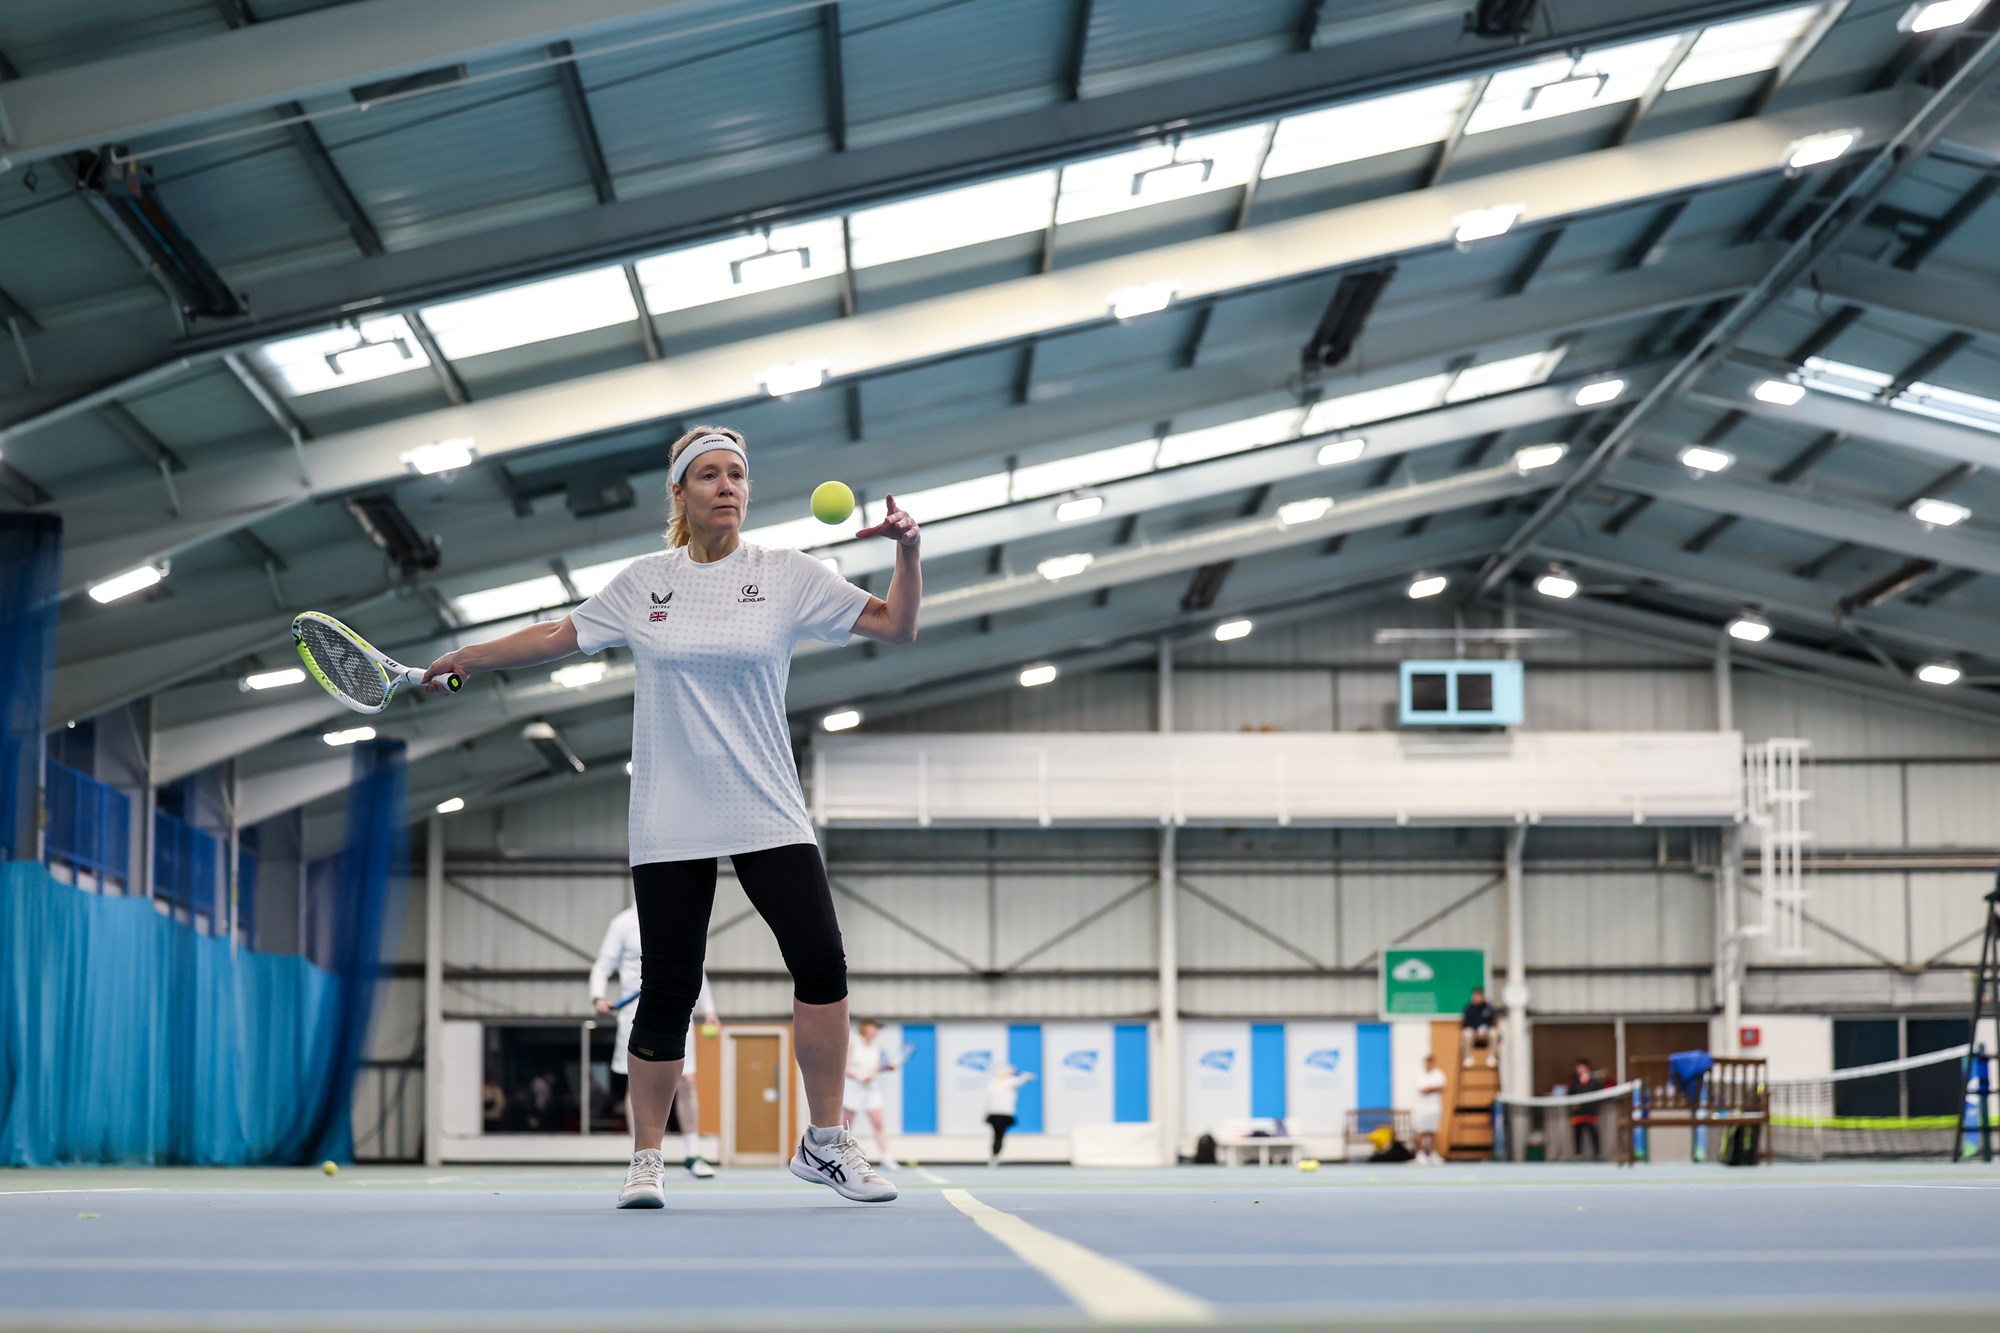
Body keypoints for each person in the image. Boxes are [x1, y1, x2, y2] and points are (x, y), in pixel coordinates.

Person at [424, 425, 923, 1210]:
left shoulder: (789, 575)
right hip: (670, 813)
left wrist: (908, 550)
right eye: (711, 475)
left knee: (822, 962)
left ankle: (825, 1144)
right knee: (669, 987)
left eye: (739, 475)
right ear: (682, 493)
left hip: (767, 804)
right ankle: (646, 1159)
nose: (729, 486)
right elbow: (559, 635)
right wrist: (470, 657)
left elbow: (897, 624)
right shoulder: (644, 581)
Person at [590, 901, 720, 1177]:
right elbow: (602, 966)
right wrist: (598, 996)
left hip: (679, 1007)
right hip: (633, 1013)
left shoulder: (680, 916)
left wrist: (709, 1009)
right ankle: (640, 1155)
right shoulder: (623, 923)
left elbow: (696, 966)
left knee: (686, 1081)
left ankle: (692, 1154)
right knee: (636, 1083)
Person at [843, 1019, 899, 1167]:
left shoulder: (878, 1046)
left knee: (879, 1123)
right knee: (846, 1126)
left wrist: (886, 1068)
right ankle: (842, 1157)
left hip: (872, 1090)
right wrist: (861, 1077)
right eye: (874, 1027)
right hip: (853, 1089)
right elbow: (844, 1068)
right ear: (865, 1028)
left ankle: (887, 1158)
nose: (877, 1031)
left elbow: (875, 1068)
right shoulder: (852, 1043)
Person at [985, 1062, 1036, 1167]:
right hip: (1004, 1114)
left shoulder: (993, 1083)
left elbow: (988, 1101)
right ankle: (996, 1155)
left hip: (993, 1114)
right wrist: (1026, 1075)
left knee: (996, 1136)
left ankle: (995, 1155)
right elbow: (1027, 1077)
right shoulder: (1010, 1082)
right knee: (1000, 1136)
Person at [1568, 1058, 1606, 1161]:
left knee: (1593, 1133)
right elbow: (1571, 1093)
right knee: (1578, 1134)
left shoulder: (1594, 1081)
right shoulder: (1575, 1081)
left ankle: (1597, 1154)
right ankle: (1578, 1153)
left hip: (1590, 1112)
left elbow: (1599, 1091)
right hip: (1578, 1113)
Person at [1414, 1053, 1447, 1164]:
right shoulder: (1420, 1075)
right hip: (1422, 1108)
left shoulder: (1439, 1074)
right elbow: (1423, 1090)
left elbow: (1442, 1088)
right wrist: (1434, 1088)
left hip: (1435, 1108)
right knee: (1420, 1131)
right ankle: (1420, 1154)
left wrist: (1430, 1088)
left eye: (1431, 1062)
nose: (1429, 1064)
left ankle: (1432, 1153)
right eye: (1427, 1062)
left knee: (1433, 1131)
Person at [1460, 987, 1499, 1069]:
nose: (1477, 998)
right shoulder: (1468, 1008)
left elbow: (1493, 1021)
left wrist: (1485, 1029)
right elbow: (1466, 1023)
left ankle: (1491, 1057)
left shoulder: (1489, 1008)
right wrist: (1477, 1031)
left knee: (1494, 1033)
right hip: (1473, 1033)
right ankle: (1468, 1058)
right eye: (1476, 996)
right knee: (1467, 1033)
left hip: (1486, 1032)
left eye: (1479, 996)